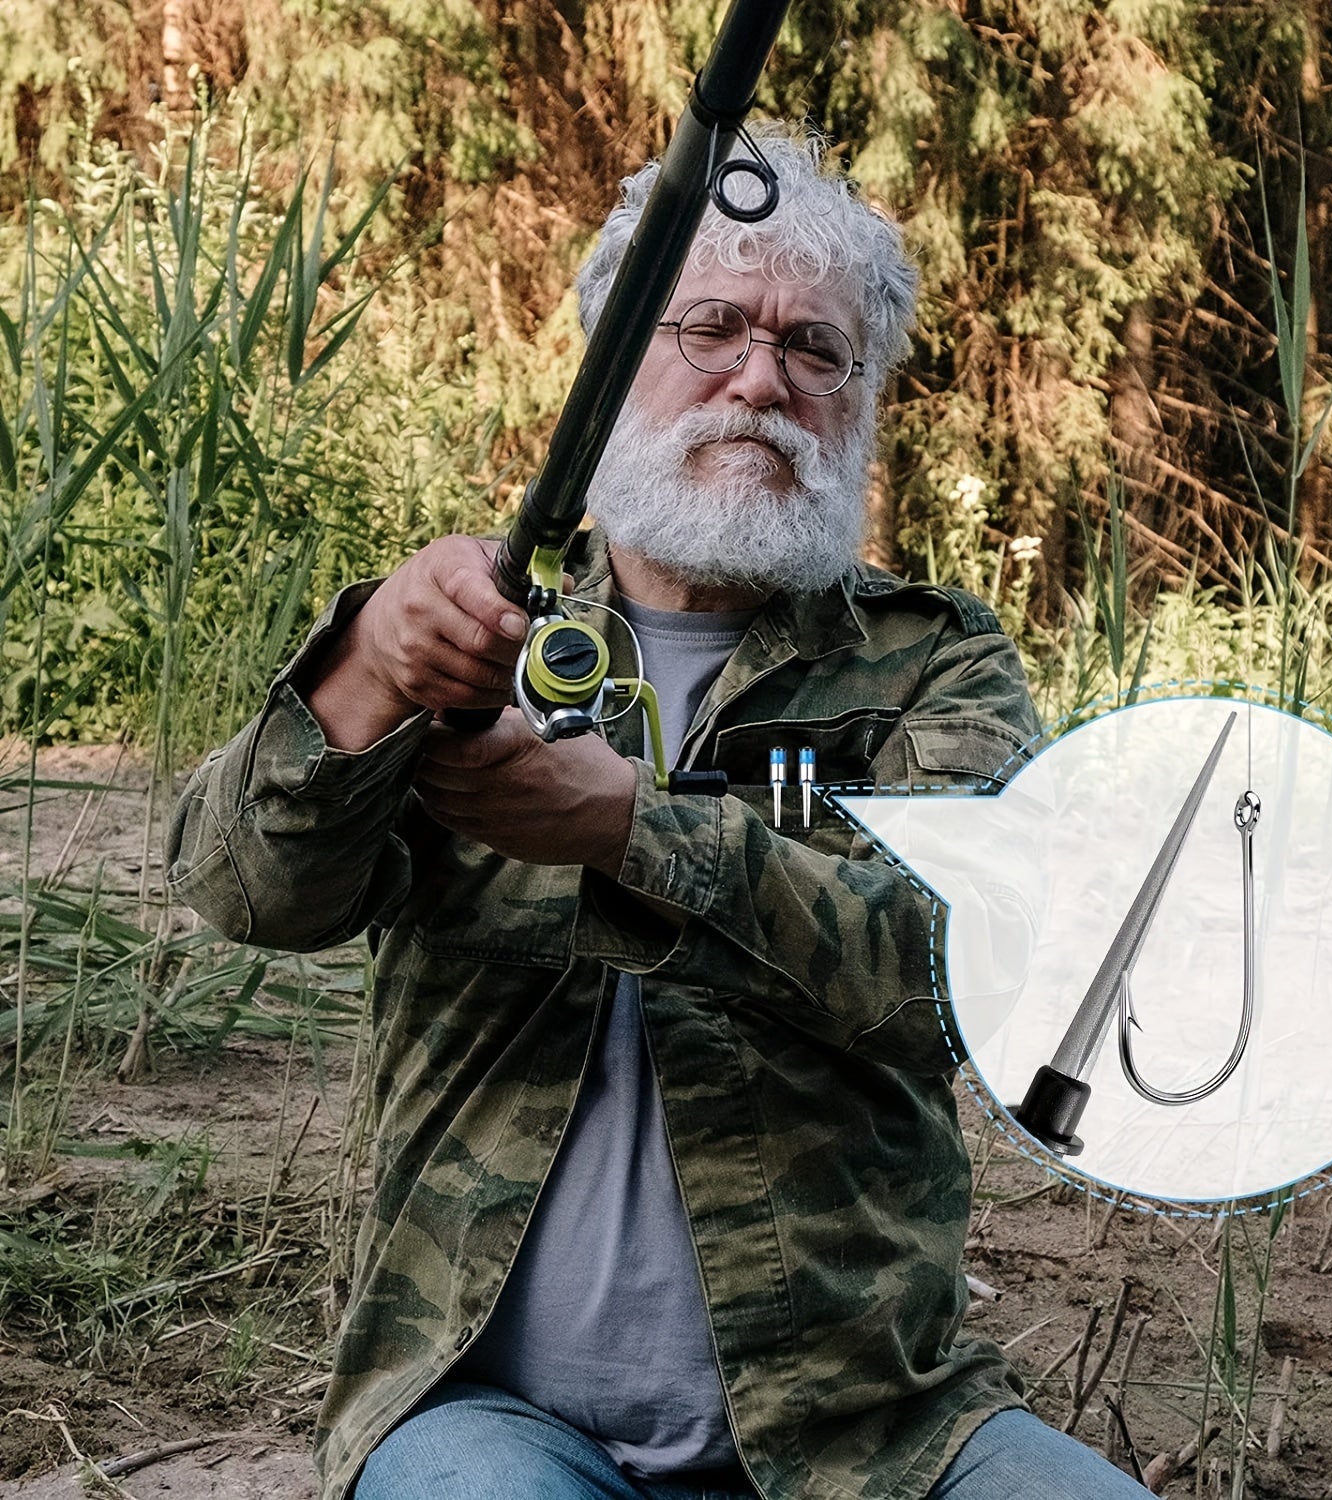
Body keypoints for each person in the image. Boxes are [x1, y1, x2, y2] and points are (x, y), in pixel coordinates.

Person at [169, 128, 1148, 1500]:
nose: (762, 379)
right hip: (489, 1414)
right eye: (712, 328)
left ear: (862, 399)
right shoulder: (467, 633)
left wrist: (628, 826)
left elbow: (962, 973)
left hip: (869, 1431)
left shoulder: (938, 658)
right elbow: (244, 892)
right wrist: (363, 674)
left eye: (817, 349)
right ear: (608, 362)